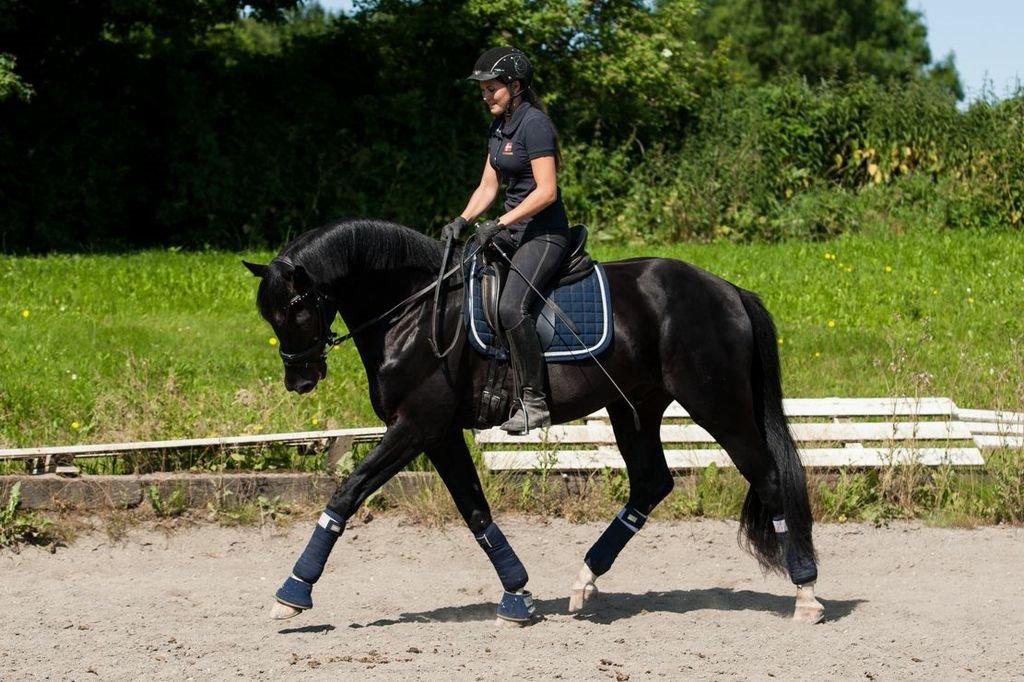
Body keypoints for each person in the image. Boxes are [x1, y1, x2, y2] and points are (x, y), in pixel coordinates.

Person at [442, 46, 570, 435]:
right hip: (511, 229)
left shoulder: (535, 125)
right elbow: (488, 184)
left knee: (512, 308)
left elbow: (546, 191)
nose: (485, 96)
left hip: (544, 233)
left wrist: (499, 222)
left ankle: (534, 402)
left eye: (491, 89)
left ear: (515, 86)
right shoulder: (498, 128)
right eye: (482, 90)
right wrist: (462, 220)